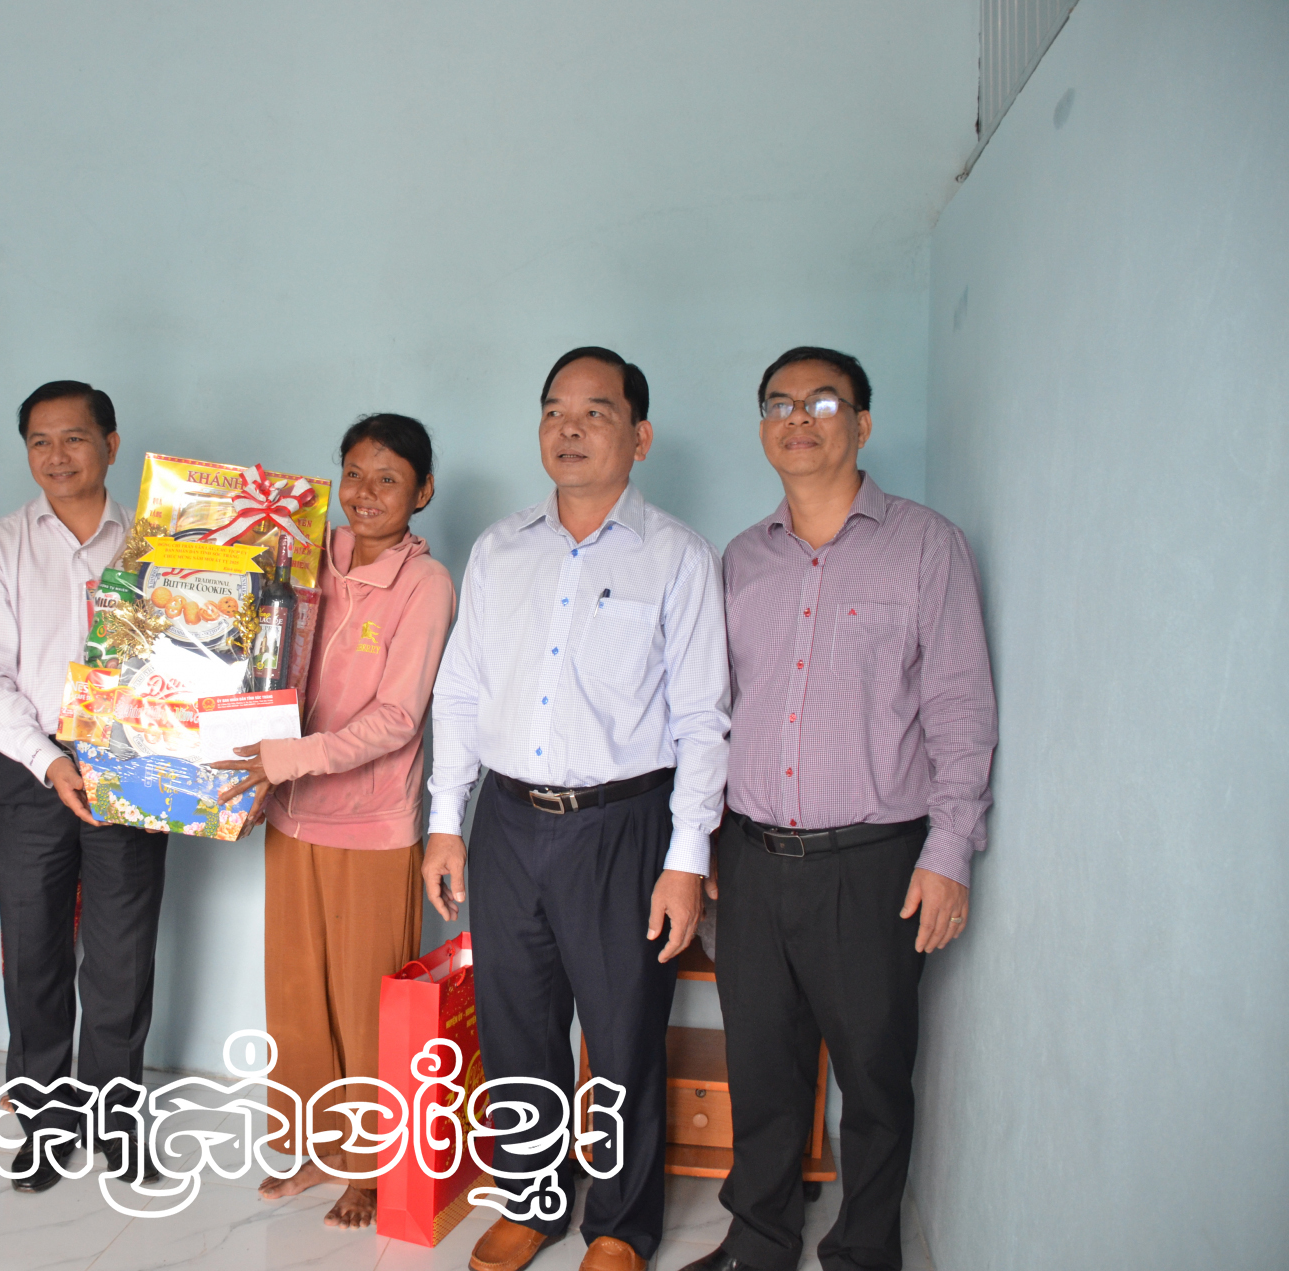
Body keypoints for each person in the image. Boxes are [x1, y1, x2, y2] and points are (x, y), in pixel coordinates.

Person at [680, 348, 996, 1271]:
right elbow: (711, 712)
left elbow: (960, 708)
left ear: (862, 422)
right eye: (779, 403)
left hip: (874, 863)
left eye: (822, 402)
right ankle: (759, 1240)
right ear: (763, 426)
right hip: (751, 858)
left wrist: (950, 851)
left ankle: (863, 1252)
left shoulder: (926, 546)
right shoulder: (741, 559)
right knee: (761, 1067)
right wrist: (702, 846)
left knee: (874, 1074)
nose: (799, 417)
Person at [425, 348, 730, 1271]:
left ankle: (621, 1225)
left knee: (623, 1030)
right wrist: (446, 820)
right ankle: (532, 1198)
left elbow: (702, 716)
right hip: (508, 821)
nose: (569, 427)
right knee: (516, 1022)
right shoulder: (500, 548)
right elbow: (461, 689)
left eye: (595, 411)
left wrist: (686, 858)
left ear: (640, 435)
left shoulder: (676, 554)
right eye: (555, 409)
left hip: (622, 827)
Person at [211, 414, 455, 1230]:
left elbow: (398, 716)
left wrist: (289, 757)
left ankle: (372, 1165)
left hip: (372, 823)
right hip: (291, 813)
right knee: (297, 997)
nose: (366, 492)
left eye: (389, 478)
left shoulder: (427, 584)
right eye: (354, 473)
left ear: (423, 491)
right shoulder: (302, 552)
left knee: (363, 1002)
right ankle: (315, 1145)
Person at [0, 380, 166, 1192]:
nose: (56, 455)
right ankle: (46, 1124)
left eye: (74, 437)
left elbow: (191, 659)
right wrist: (49, 759)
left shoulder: (156, 542)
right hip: (29, 770)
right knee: (33, 953)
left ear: (111, 444)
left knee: (122, 956)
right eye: (40, 441)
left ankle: (116, 1121)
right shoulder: (0, 545)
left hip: (131, 769)